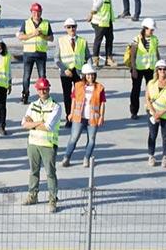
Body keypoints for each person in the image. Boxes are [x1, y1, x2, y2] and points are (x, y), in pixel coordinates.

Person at [22, 78, 62, 212]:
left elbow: (49, 127)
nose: (43, 91)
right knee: (33, 171)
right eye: (40, 89)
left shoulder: (55, 106)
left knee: (50, 173)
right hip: (33, 143)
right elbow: (24, 124)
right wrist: (39, 123)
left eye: (45, 89)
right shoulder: (33, 104)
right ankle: (32, 195)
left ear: (49, 89)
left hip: (48, 144)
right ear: (37, 90)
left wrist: (32, 124)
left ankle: (52, 199)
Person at [61, 64, 105, 168]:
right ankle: (67, 157)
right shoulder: (78, 86)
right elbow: (74, 100)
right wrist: (71, 113)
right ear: (84, 75)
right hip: (79, 117)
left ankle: (86, 158)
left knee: (92, 140)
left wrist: (101, 116)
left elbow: (102, 103)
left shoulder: (99, 87)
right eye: (88, 75)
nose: (91, 77)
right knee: (74, 138)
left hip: (93, 118)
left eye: (92, 74)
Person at [16, 3, 52, 104]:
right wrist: (33, 34)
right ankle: (25, 94)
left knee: (42, 76)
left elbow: (51, 38)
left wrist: (42, 36)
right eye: (34, 12)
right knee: (26, 76)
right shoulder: (26, 23)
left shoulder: (45, 23)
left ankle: (44, 94)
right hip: (29, 53)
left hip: (41, 53)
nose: (37, 14)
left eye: (38, 12)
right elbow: (21, 37)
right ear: (31, 12)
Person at [146, 61, 166, 167]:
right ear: (157, 71)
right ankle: (151, 155)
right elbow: (147, 99)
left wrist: (161, 113)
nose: (162, 71)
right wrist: (155, 114)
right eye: (160, 69)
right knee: (152, 135)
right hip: (153, 113)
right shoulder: (151, 83)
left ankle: (165, 157)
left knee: (165, 136)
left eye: (164, 69)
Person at [127, 19, 160, 119]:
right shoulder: (136, 39)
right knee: (136, 90)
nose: (152, 31)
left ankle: (150, 109)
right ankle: (134, 111)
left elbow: (156, 53)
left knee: (151, 90)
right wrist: (133, 69)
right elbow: (132, 55)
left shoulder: (155, 39)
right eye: (151, 29)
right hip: (139, 68)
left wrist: (159, 66)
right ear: (145, 28)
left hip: (151, 68)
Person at [56, 18, 89, 116]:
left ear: (76, 27)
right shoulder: (60, 41)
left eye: (73, 27)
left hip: (79, 72)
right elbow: (56, 59)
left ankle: (79, 116)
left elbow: (88, 57)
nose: (71, 29)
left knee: (80, 96)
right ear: (65, 28)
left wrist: (88, 70)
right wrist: (64, 69)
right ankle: (69, 116)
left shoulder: (82, 41)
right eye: (69, 27)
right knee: (67, 96)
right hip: (66, 72)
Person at [87, 0, 117, 67]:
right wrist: (90, 15)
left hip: (107, 22)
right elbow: (95, 7)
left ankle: (109, 59)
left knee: (110, 40)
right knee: (98, 41)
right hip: (100, 23)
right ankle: (95, 59)